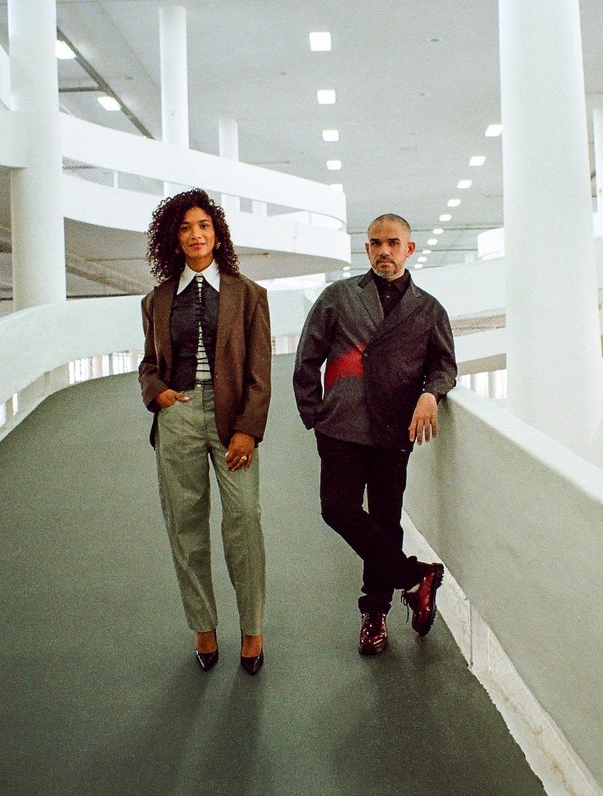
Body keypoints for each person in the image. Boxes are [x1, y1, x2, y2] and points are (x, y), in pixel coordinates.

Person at [293, 213, 457, 656]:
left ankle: (375, 614)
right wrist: (315, 414)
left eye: (393, 242)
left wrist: (431, 394)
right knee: (338, 509)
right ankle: (414, 577)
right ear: (366, 250)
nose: (383, 250)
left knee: (386, 521)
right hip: (342, 426)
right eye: (375, 243)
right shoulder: (339, 297)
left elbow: (444, 366)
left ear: (410, 249)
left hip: (394, 427)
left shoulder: (428, 309)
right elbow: (307, 355)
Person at [139, 189, 271, 675]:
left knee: (243, 519)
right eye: (185, 228)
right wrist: (158, 394)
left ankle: (252, 629)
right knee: (185, 524)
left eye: (204, 227)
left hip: (232, 416)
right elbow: (149, 364)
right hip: (178, 415)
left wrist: (249, 430)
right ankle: (203, 627)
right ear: (173, 238)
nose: (196, 235)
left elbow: (260, 372)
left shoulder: (249, 294)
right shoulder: (156, 300)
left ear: (218, 235)